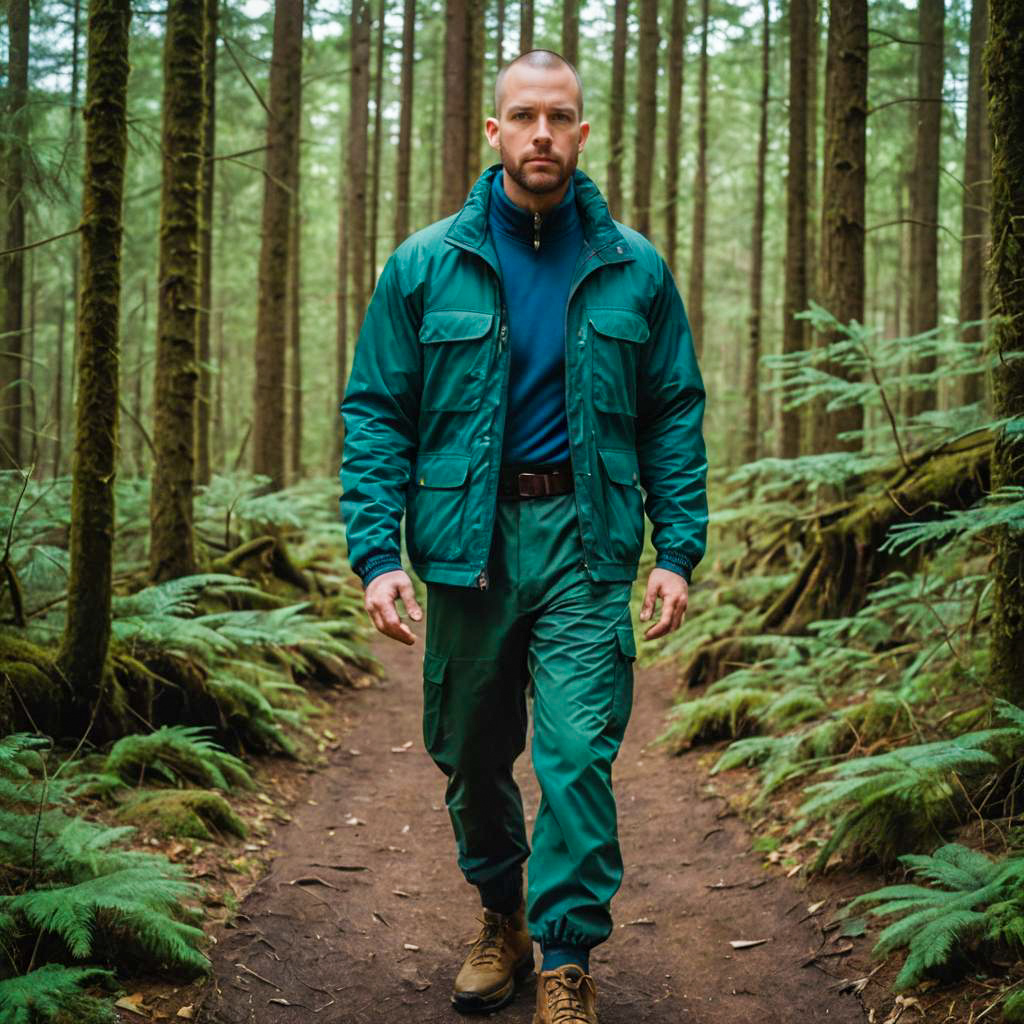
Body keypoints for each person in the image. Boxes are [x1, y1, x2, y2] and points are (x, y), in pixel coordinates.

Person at [340, 48, 707, 1024]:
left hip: (588, 542)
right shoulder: (424, 266)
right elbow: (377, 409)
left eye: (559, 117)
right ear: (494, 131)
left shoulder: (633, 268)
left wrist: (675, 549)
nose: (541, 133)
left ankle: (565, 955)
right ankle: (500, 912)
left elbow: (673, 410)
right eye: (523, 116)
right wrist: (377, 555)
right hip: (467, 544)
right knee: (470, 750)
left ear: (582, 133)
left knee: (578, 754)